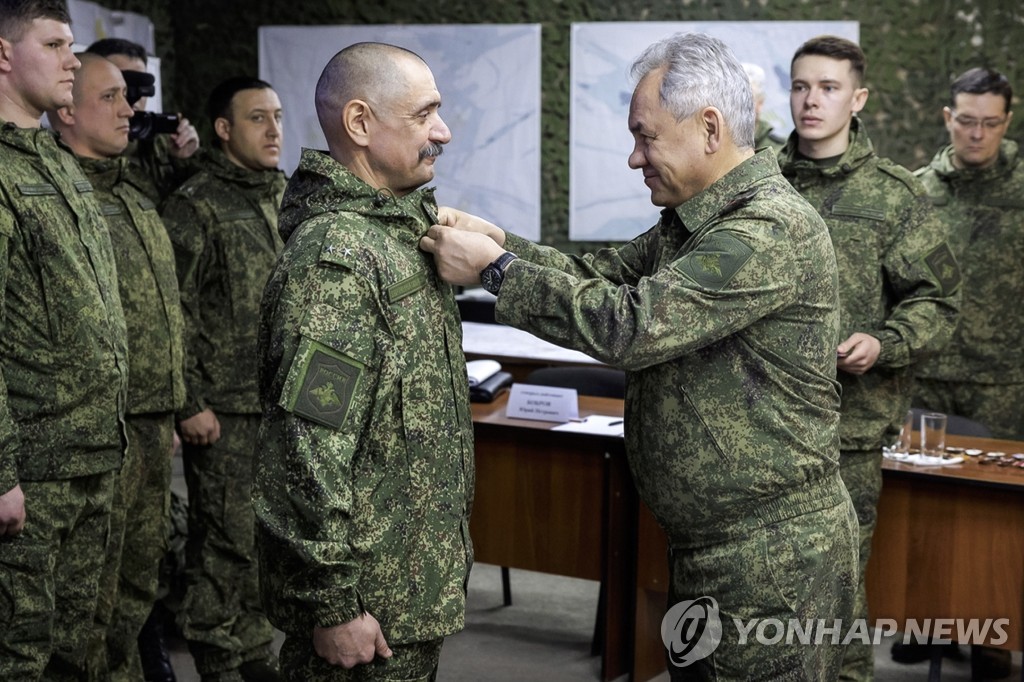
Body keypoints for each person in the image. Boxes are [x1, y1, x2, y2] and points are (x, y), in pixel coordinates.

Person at [422, 32, 856, 679]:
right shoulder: (696, 221)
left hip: (771, 560)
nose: (633, 158)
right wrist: (501, 241)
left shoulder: (764, 229)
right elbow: (604, 277)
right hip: (716, 549)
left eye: (645, 136)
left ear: (709, 128)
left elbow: (631, 322)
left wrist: (499, 272)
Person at [253, 42, 474, 681]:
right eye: (424, 115)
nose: (444, 132)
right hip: (366, 616)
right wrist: (331, 604)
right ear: (359, 124)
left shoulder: (394, 234)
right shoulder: (339, 260)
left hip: (405, 596)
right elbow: (307, 443)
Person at [776, 36, 961, 681]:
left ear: (857, 100)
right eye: (801, 86)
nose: (811, 100)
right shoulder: (760, 183)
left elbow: (938, 300)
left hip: (845, 430)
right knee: (762, 594)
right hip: (759, 425)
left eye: (827, 88)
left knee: (836, 594)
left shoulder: (895, 195)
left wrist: (885, 343)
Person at [46, 52, 186, 682]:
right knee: (89, 599)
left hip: (154, 420)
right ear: (66, 110)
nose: (129, 110)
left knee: (138, 582)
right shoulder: (56, 198)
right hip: (99, 431)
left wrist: (178, 404)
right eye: (111, 98)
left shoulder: (133, 190)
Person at [0, 1, 129, 678]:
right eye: (53, 44)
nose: (71, 60)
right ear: (2, 55)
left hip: (91, 455)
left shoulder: (54, 161)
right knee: (19, 654)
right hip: (34, 471)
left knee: (76, 651)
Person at [161, 76, 286, 682]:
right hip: (226, 410)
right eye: (257, 118)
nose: (274, 130)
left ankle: (256, 652)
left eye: (279, 117)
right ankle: (217, 657)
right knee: (224, 544)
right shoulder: (196, 203)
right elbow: (171, 311)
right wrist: (188, 402)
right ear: (223, 129)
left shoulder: (287, 198)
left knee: (269, 541)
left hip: (284, 404)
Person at [909, 66, 1021, 679]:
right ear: (948, 118)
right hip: (929, 374)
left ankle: (994, 639)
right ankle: (928, 624)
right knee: (926, 515)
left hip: (1006, 378)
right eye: (966, 121)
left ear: (1007, 121)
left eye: (990, 123)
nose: (977, 134)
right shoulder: (919, 189)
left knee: (996, 524)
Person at [86, 36, 200, 204]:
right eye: (120, 83)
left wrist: (185, 161)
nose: (134, 96)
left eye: (140, 86)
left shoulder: (163, 144)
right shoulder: (81, 143)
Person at [742, 62, 785, 152]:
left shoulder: (780, 152)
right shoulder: (715, 144)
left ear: (760, 103)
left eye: (747, 97)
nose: (739, 104)